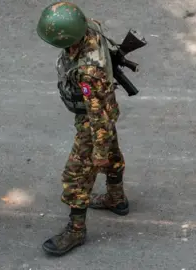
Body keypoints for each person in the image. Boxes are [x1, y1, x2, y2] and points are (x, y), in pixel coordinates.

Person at [36, 2, 130, 256]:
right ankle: (116, 198)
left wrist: (97, 150)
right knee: (111, 152)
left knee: (75, 176)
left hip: (94, 120)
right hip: (105, 108)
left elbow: (97, 117)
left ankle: (76, 230)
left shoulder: (88, 72)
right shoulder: (88, 28)